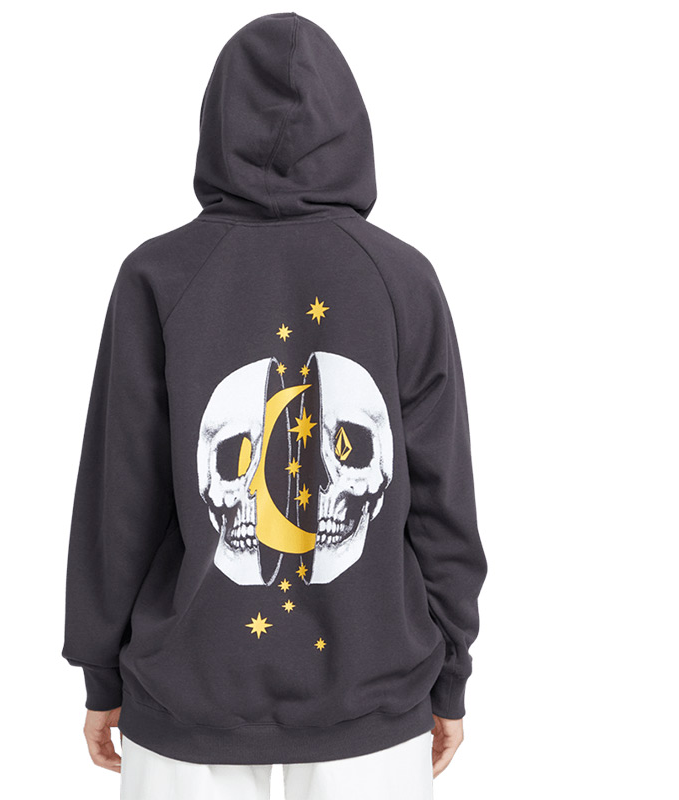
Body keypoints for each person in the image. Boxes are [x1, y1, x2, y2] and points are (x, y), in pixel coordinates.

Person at [61, 11, 488, 800]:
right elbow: (443, 502)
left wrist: (100, 671)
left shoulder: (158, 275)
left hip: (187, 701)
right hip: (374, 698)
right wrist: (451, 673)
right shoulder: (402, 279)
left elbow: (118, 501)